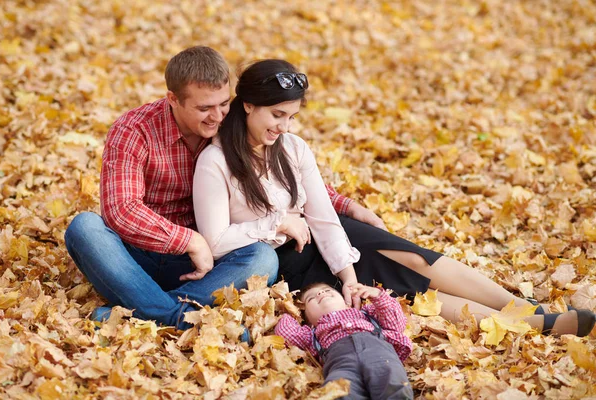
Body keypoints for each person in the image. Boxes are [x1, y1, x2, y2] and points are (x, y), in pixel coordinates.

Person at [193, 58, 595, 337]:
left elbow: (323, 218)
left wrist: (347, 275)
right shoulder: (216, 162)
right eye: (276, 115)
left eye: (292, 116)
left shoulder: (294, 148)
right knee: (400, 292)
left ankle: (527, 308)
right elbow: (215, 242)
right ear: (248, 105)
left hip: (327, 240)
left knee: (411, 257)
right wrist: (276, 223)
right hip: (283, 261)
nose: (284, 126)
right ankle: (528, 326)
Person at [63, 46, 371, 330]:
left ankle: (150, 312)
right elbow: (121, 210)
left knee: (263, 257)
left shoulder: (229, 125)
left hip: (206, 265)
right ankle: (173, 314)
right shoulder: (134, 130)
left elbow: (281, 173)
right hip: (136, 257)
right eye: (204, 108)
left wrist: (346, 205)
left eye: (224, 103)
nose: (217, 116)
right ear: (173, 99)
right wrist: (191, 241)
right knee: (84, 227)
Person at [275, 282, 414, 399]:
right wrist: (291, 311)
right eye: (311, 298)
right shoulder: (312, 334)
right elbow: (286, 332)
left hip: (379, 354)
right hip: (341, 364)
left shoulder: (367, 313)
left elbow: (396, 323)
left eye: (327, 290)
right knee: (339, 392)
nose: (320, 294)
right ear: (308, 320)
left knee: (393, 383)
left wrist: (378, 296)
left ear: (346, 302)